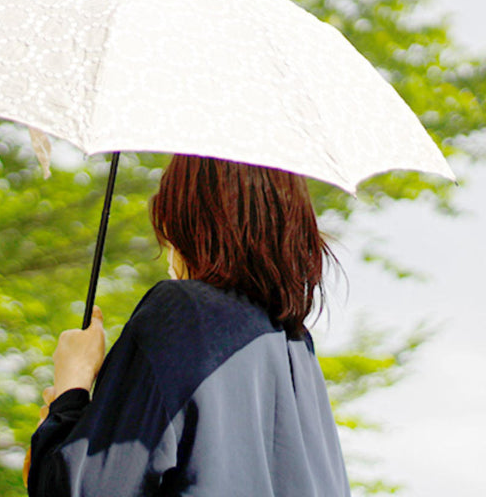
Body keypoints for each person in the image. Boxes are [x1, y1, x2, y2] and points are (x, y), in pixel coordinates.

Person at [26, 155, 351, 496]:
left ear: (187, 218)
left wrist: (71, 385)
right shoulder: (296, 348)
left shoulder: (183, 314)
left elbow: (87, 487)